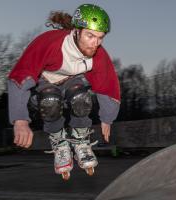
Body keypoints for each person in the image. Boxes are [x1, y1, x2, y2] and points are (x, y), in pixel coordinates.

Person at [7, 4, 120, 180]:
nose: (95, 44)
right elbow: (19, 76)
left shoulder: (98, 54)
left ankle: (81, 139)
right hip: (45, 82)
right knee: (50, 100)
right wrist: (20, 120)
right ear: (76, 30)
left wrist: (107, 118)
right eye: (90, 36)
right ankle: (59, 141)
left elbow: (108, 84)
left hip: (71, 81)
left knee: (81, 97)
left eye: (100, 38)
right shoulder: (48, 43)